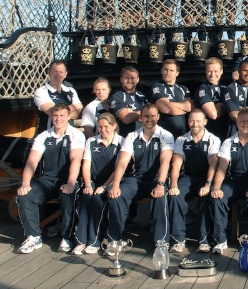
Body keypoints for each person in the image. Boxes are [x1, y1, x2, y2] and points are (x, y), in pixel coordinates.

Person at [17, 104, 85, 254]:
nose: (58, 119)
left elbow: (76, 159)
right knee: (25, 197)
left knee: (69, 197)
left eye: (62, 115)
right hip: (47, 179)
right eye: (55, 116)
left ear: (68, 117)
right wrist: (25, 184)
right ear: (51, 117)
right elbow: (32, 161)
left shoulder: (76, 135)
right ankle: (33, 236)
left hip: (67, 178)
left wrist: (71, 183)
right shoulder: (43, 136)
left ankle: (67, 237)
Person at [106, 104, 174, 245]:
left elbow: (165, 161)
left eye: (153, 116)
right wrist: (116, 185)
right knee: (116, 195)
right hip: (136, 179)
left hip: (155, 179)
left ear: (158, 117)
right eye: (146, 116)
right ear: (140, 118)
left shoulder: (166, 136)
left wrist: (161, 184)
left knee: (160, 196)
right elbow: (123, 162)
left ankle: (161, 240)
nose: (149, 119)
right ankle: (115, 239)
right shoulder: (131, 136)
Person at [210, 107, 248, 254]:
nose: (245, 124)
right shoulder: (228, 142)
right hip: (232, 181)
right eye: (242, 121)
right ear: (237, 122)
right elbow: (222, 168)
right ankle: (220, 240)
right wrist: (216, 188)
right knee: (218, 199)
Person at [167, 109, 221, 253]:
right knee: (175, 196)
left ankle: (203, 240)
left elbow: (213, 163)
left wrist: (208, 184)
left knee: (205, 197)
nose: (194, 124)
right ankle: (178, 239)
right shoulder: (181, 140)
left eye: (198, 121)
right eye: (191, 120)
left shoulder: (213, 139)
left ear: (205, 122)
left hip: (205, 177)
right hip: (188, 177)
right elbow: (176, 164)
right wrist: (173, 184)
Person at [72, 113, 122, 255]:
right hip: (93, 181)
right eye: (100, 127)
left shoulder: (121, 142)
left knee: (98, 200)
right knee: (86, 198)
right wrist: (88, 185)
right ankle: (81, 241)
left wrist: (105, 186)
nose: (103, 130)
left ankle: (94, 241)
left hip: (110, 182)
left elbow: (119, 168)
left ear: (114, 126)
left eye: (106, 126)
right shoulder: (91, 141)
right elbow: (86, 166)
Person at [33, 60, 83, 133]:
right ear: (49, 72)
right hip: (48, 136)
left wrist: (62, 113)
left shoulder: (71, 91)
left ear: (65, 74)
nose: (58, 74)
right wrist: (73, 107)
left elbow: (80, 112)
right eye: (55, 72)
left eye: (61, 72)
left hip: (69, 135)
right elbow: (54, 112)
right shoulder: (40, 92)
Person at [149, 59, 191, 138]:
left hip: (182, 136)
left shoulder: (183, 89)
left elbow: (189, 107)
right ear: (161, 71)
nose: (168, 73)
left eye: (171, 70)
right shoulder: (157, 87)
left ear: (177, 73)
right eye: (166, 70)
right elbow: (166, 109)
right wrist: (184, 108)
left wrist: (171, 104)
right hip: (164, 136)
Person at [195, 57, 229, 140]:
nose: (212, 74)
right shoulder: (203, 89)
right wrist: (227, 106)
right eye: (209, 71)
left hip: (226, 133)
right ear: (206, 72)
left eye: (216, 71)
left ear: (221, 71)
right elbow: (213, 114)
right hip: (210, 135)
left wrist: (219, 105)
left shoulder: (226, 87)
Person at [109, 66, 147, 137]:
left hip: (142, 137)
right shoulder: (116, 97)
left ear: (138, 80)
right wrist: (145, 113)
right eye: (126, 78)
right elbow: (126, 118)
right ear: (121, 79)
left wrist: (132, 112)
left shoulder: (142, 96)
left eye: (132, 78)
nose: (129, 81)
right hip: (124, 138)